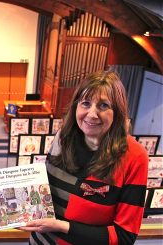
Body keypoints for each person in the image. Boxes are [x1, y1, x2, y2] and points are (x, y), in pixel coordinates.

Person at [19, 70, 148, 244]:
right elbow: (44, 194)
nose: (92, 114)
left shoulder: (135, 157)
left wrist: (61, 226)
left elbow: (124, 236)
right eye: (86, 103)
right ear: (76, 106)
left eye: (103, 106)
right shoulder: (63, 138)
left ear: (117, 111)